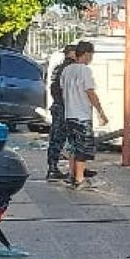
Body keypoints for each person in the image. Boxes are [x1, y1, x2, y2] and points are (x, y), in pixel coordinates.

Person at [59, 41, 108, 190]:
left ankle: (71, 175)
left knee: (72, 146)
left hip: (69, 114)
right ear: (86, 54)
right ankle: (80, 179)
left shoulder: (66, 70)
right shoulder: (85, 71)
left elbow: (62, 89)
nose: (91, 58)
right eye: (91, 55)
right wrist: (100, 111)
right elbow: (90, 92)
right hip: (82, 115)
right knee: (82, 148)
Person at [45, 44, 75, 182]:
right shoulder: (70, 68)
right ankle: (56, 169)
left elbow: (54, 87)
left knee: (56, 137)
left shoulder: (59, 68)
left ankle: (53, 167)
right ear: (72, 53)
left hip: (57, 105)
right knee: (66, 138)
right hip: (65, 107)